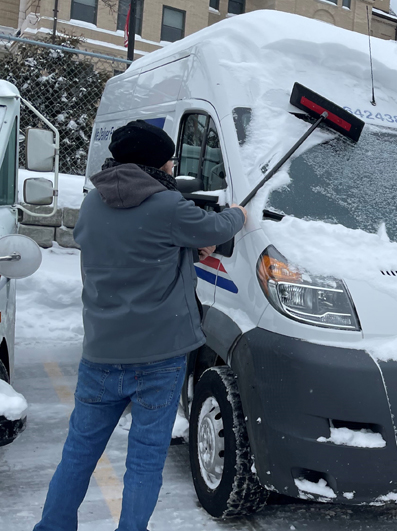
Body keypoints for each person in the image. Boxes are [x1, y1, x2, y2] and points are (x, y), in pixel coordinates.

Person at [34, 120, 247, 530]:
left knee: (78, 454)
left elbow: (131, 254)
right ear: (158, 165)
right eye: (170, 161)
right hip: (158, 358)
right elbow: (217, 228)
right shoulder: (169, 207)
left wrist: (184, 256)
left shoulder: (94, 204)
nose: (172, 168)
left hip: (100, 354)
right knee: (145, 460)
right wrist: (237, 214)